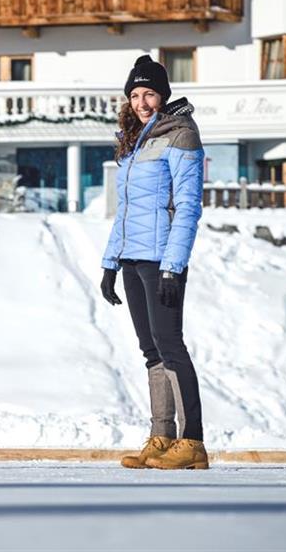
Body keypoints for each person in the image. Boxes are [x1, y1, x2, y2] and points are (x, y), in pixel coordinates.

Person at [100, 55, 208, 470]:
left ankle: (193, 439)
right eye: (135, 94)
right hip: (132, 258)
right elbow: (126, 209)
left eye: (149, 93)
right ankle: (162, 436)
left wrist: (172, 266)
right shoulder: (135, 139)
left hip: (162, 259)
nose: (142, 101)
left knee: (170, 345)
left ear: (162, 95)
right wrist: (111, 263)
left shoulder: (180, 134)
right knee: (151, 351)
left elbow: (187, 207)